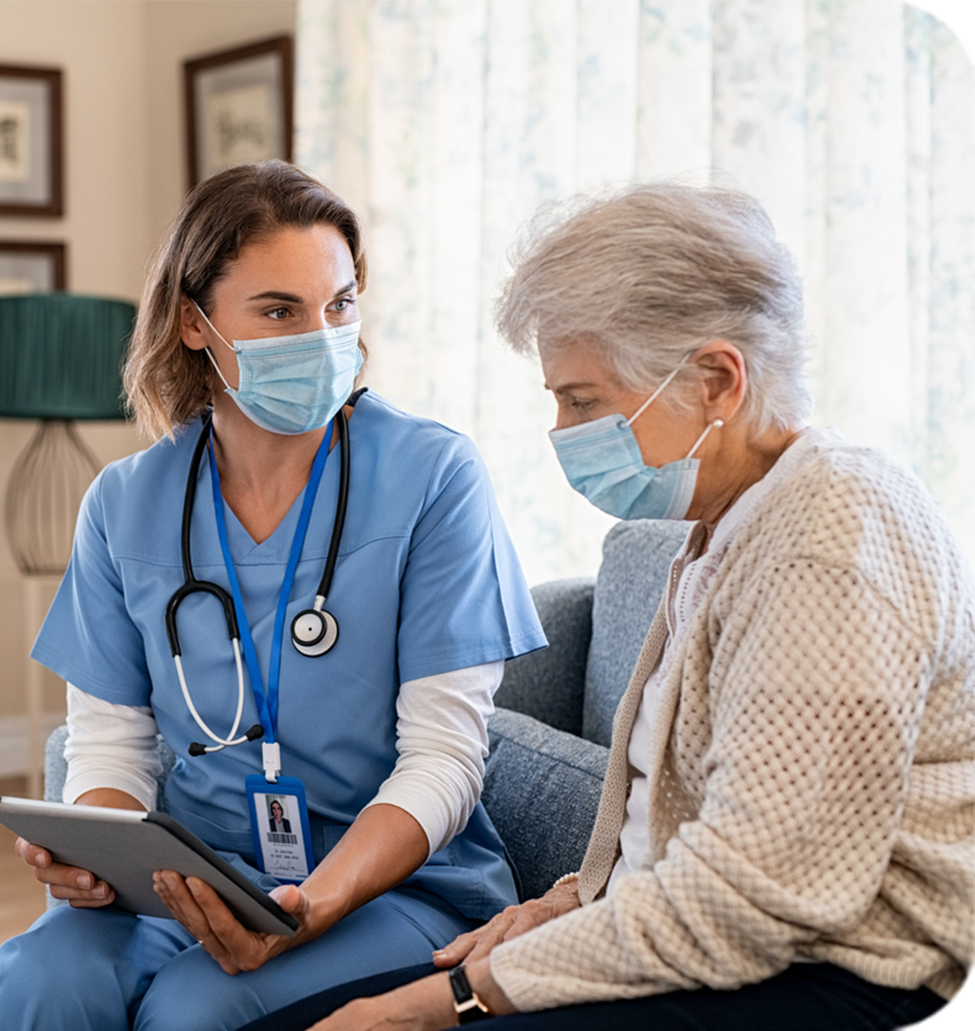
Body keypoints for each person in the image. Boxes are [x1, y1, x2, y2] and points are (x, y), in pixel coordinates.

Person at [304, 182, 975, 1030]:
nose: (561, 430)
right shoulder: (727, 526)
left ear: (716, 380)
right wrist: (574, 901)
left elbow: (748, 901)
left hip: (865, 979)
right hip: (737, 953)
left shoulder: (828, 539)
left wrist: (456, 997)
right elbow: (679, 824)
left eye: (583, 400)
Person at [0, 160, 548, 1031]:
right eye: (280, 310)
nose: (322, 336)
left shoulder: (432, 477)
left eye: (340, 305)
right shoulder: (127, 502)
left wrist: (307, 907)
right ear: (195, 323)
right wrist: (94, 852)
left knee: (194, 1011)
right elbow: (110, 746)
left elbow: (444, 758)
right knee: (44, 982)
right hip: (194, 876)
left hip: (388, 888)